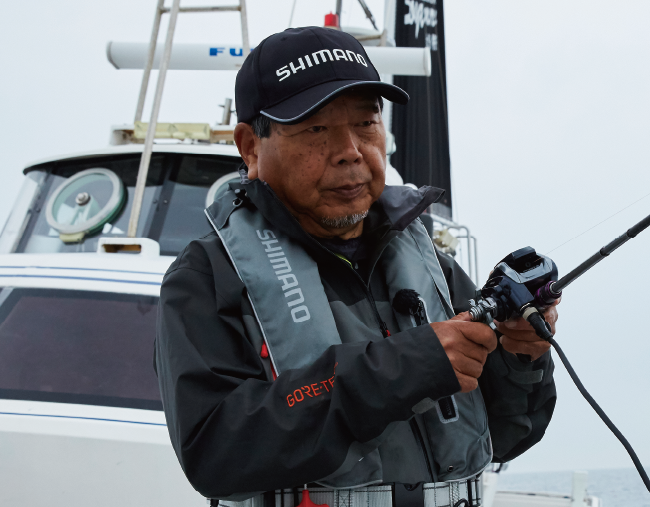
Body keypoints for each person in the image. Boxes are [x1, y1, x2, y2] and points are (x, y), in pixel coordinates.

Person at [155, 26, 558, 507]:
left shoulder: (434, 266)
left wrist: (520, 354)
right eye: (315, 129)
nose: (349, 150)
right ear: (251, 147)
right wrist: (404, 368)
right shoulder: (205, 278)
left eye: (366, 123)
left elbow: (507, 436)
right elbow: (215, 453)